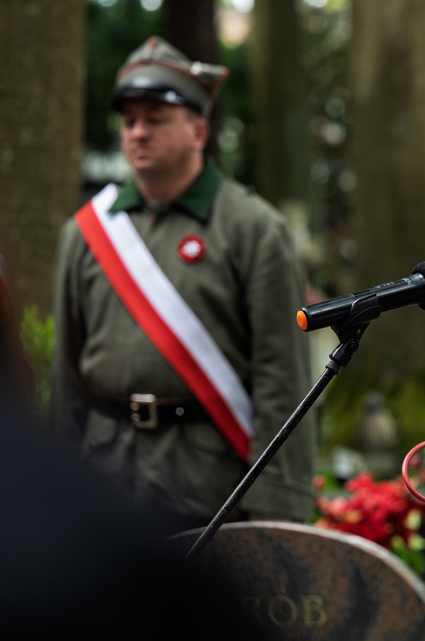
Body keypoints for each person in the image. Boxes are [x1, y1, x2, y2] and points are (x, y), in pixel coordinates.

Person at [51, 36, 315, 531]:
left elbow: (282, 379)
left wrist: (277, 509)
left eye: (155, 118)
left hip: (206, 484)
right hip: (100, 479)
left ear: (197, 131)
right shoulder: (86, 232)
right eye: (129, 120)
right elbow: (67, 379)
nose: (138, 132)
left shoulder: (253, 228)